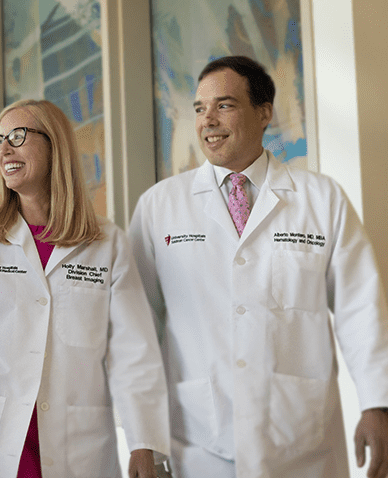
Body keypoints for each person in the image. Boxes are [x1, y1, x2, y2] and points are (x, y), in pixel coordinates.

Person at [128, 55, 388, 477]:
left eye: (224, 105)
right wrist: (142, 438)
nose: (208, 120)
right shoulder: (160, 206)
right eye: (199, 108)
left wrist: (377, 404)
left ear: (264, 112)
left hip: (302, 441)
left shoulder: (321, 200)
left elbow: (362, 311)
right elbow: (136, 330)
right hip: (198, 440)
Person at [0, 99, 170, 478]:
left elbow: (134, 354)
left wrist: (145, 443)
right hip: (0, 443)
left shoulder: (106, 242)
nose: (4, 148)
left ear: (54, 145)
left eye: (17, 135)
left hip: (79, 443)